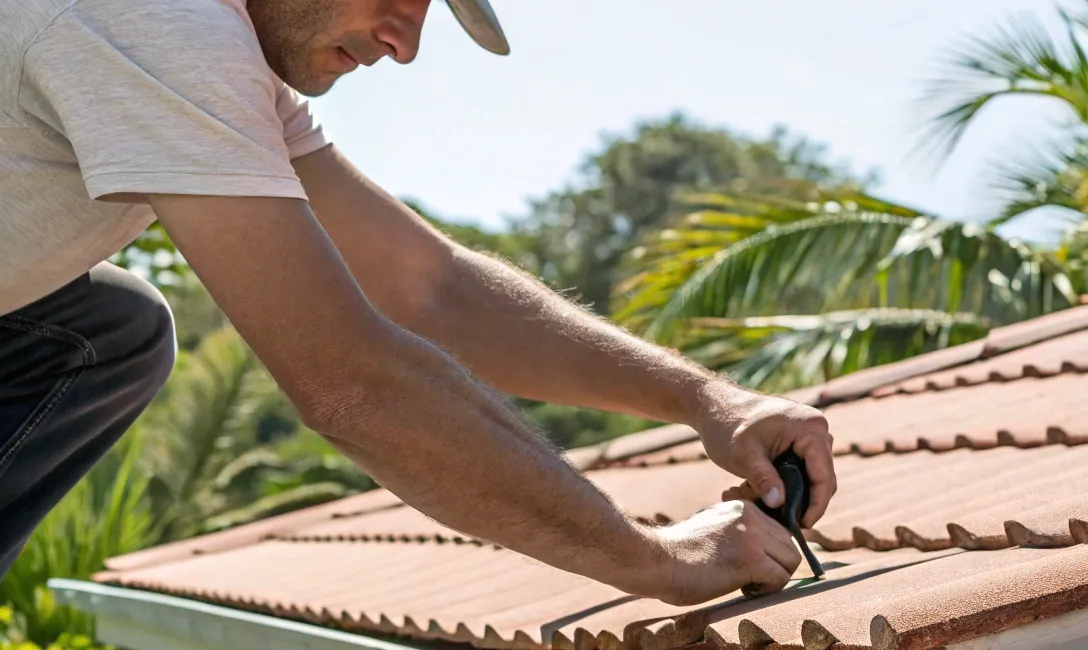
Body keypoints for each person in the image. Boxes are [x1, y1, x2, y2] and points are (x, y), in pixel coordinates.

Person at [0, 0, 834, 603]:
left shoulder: (214, 58)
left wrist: (705, 398)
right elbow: (350, 383)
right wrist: (654, 560)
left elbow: (428, 288)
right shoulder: (153, 21)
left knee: (110, 329)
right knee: (114, 328)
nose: (403, 44)